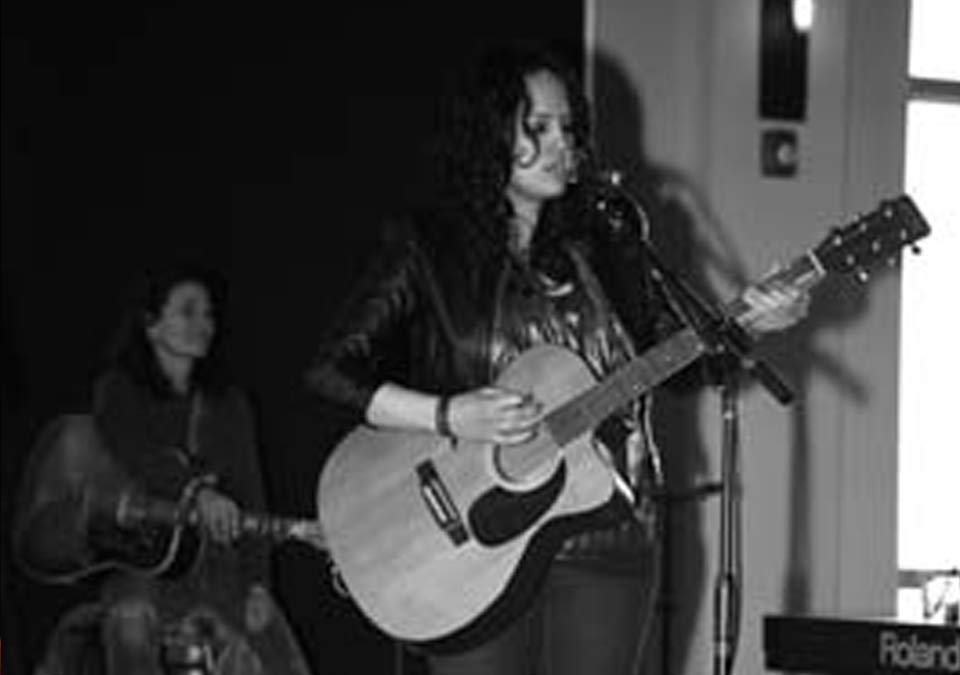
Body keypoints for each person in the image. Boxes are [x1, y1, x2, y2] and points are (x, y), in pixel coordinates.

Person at [305, 43, 807, 675]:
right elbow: (332, 371)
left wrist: (749, 323)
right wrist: (449, 415)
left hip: (609, 535)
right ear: (489, 133)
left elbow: (681, 364)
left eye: (568, 129)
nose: (560, 145)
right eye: (537, 127)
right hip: (468, 544)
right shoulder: (427, 248)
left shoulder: (610, 241)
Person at [31, 263, 312, 675]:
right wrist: (197, 492)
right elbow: (136, 452)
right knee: (130, 621)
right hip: (142, 569)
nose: (204, 325)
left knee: (280, 658)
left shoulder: (229, 404)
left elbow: (251, 492)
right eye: (188, 311)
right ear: (151, 325)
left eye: (209, 314)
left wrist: (258, 584)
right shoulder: (118, 390)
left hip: (218, 569)